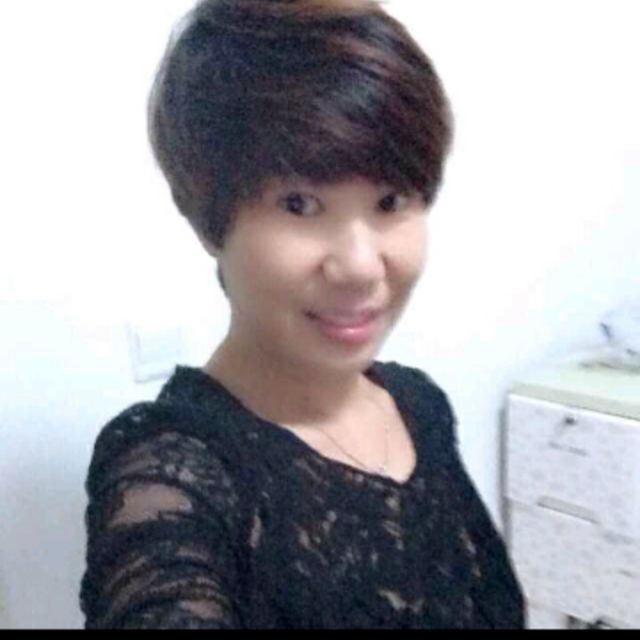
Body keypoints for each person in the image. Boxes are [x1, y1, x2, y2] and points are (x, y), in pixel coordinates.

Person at [80, 0, 525, 629]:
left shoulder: (419, 406)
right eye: (299, 203)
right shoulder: (174, 471)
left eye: (390, 200)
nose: (361, 266)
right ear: (209, 219)